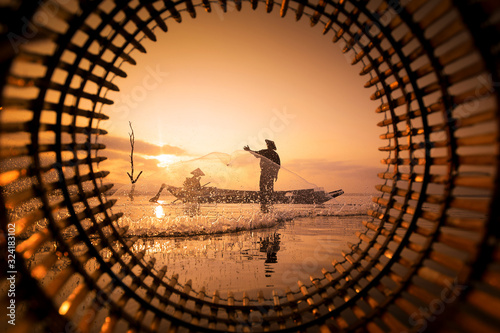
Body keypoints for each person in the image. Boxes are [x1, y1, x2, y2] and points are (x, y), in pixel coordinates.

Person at [244, 139, 280, 213]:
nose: (267, 146)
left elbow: (277, 165)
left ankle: (266, 204)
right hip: (266, 174)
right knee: (265, 189)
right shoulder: (269, 152)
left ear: (270, 146)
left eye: (268, 145)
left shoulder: (271, 153)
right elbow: (256, 154)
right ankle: (266, 205)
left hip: (268, 174)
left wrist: (276, 174)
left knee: (265, 189)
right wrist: (249, 150)